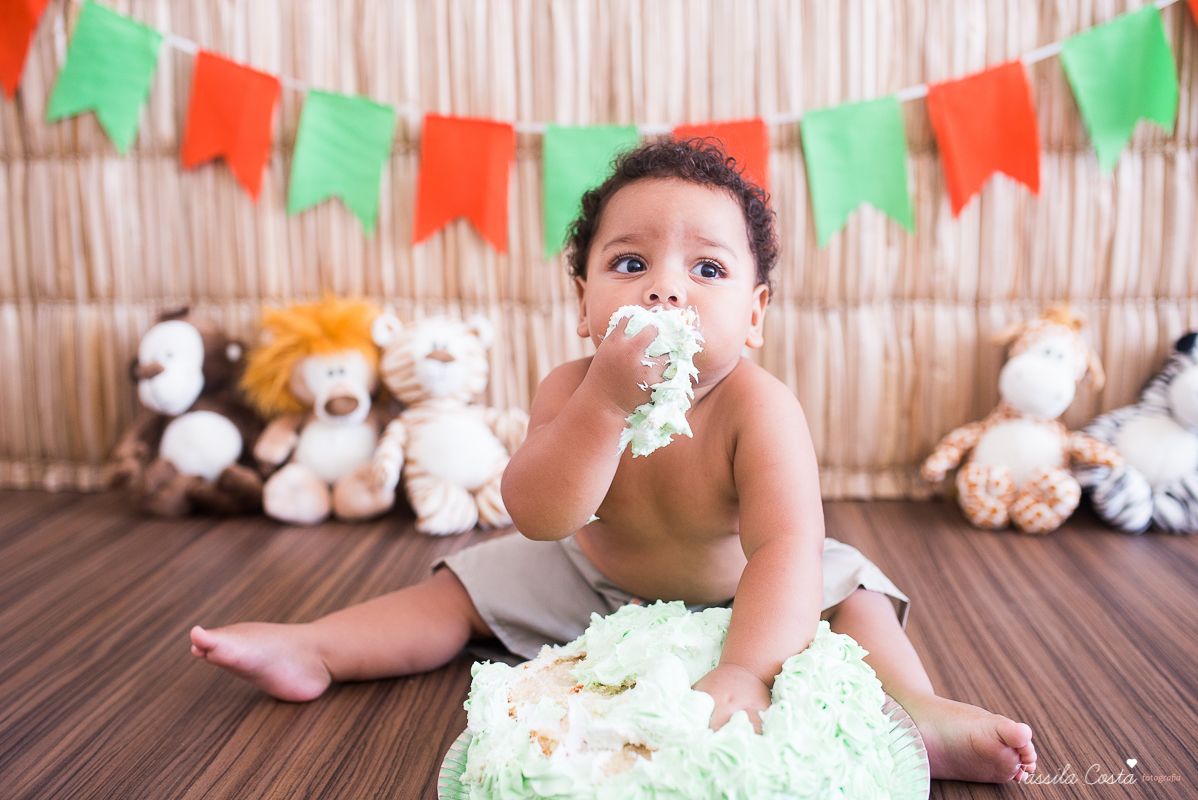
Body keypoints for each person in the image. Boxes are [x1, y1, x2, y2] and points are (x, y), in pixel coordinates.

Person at [190, 140, 1037, 784]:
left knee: (855, 598)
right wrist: (604, 405)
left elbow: (784, 546)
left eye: (706, 268)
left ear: (755, 314)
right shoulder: (572, 386)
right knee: (457, 590)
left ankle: (919, 715)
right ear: (585, 303)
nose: (664, 290)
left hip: (743, 586)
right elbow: (541, 514)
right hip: (590, 578)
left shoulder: (759, 407)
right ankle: (319, 648)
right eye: (630, 263)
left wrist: (744, 668)